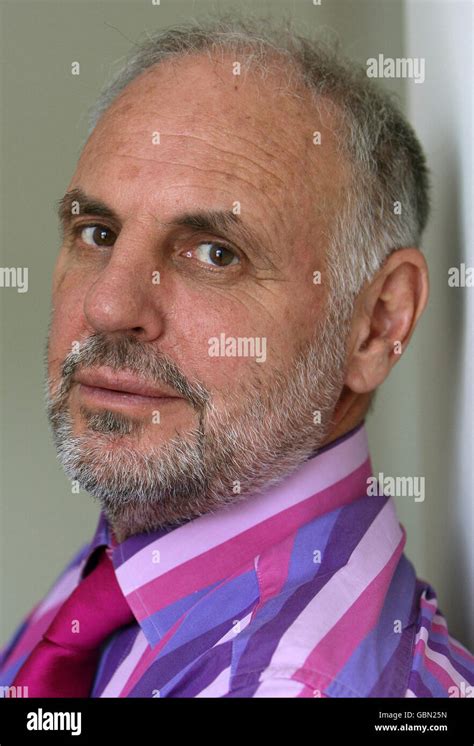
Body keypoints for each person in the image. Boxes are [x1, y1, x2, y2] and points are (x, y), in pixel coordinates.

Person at [1, 15, 472, 698]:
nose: (108, 306)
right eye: (97, 232)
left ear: (376, 324)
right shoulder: (135, 575)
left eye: (215, 253)